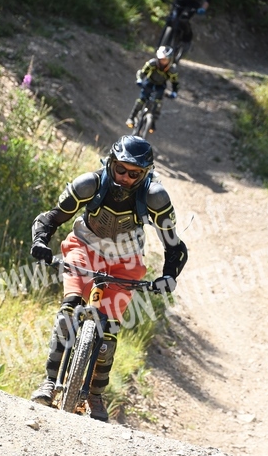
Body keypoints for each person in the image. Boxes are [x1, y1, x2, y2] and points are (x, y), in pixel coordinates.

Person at [30, 135, 188, 421]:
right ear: (111, 163)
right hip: (84, 247)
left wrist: (169, 276)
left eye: (134, 174)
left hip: (125, 260)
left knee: (109, 332)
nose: (126, 177)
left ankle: (95, 395)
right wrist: (40, 242)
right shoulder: (89, 184)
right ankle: (49, 383)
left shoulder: (155, 197)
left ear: (145, 174)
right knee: (68, 311)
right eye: (121, 169)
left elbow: (174, 246)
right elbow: (51, 218)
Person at [126, 46, 179, 133]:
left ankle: (152, 122)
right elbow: (142, 72)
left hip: (160, 86)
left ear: (170, 60)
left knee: (158, 104)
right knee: (141, 100)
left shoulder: (171, 70)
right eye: (162, 59)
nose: (163, 62)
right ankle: (131, 118)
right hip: (149, 83)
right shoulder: (152, 63)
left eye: (166, 60)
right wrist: (139, 79)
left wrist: (174, 92)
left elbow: (175, 82)